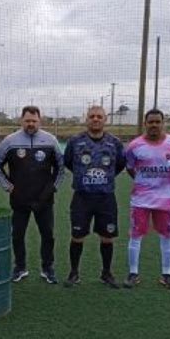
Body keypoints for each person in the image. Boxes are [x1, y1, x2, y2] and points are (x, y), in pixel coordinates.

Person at [0, 106, 65, 284]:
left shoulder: (50, 140)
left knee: (48, 234)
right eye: (27, 121)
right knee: (17, 235)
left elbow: (61, 168)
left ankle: (47, 268)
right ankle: (20, 267)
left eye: (34, 121)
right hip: (19, 198)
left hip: (44, 199)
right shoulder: (10, 141)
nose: (30, 124)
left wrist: (53, 188)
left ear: (40, 121)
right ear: (21, 121)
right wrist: (9, 187)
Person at [63, 105, 126, 289]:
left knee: (107, 236)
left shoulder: (114, 142)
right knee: (77, 236)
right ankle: (74, 273)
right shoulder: (75, 141)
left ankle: (106, 273)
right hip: (82, 197)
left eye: (99, 116)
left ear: (105, 119)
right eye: (92, 116)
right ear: (86, 119)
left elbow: (120, 164)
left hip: (106, 198)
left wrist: (105, 178)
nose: (96, 119)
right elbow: (68, 162)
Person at [123, 109, 170, 290]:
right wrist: (146, 184)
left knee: (166, 236)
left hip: (165, 200)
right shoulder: (134, 146)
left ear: (163, 123)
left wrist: (161, 185)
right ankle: (133, 274)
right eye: (151, 122)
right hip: (141, 200)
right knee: (135, 236)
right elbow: (131, 168)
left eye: (158, 121)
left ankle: (167, 275)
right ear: (145, 123)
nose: (154, 125)